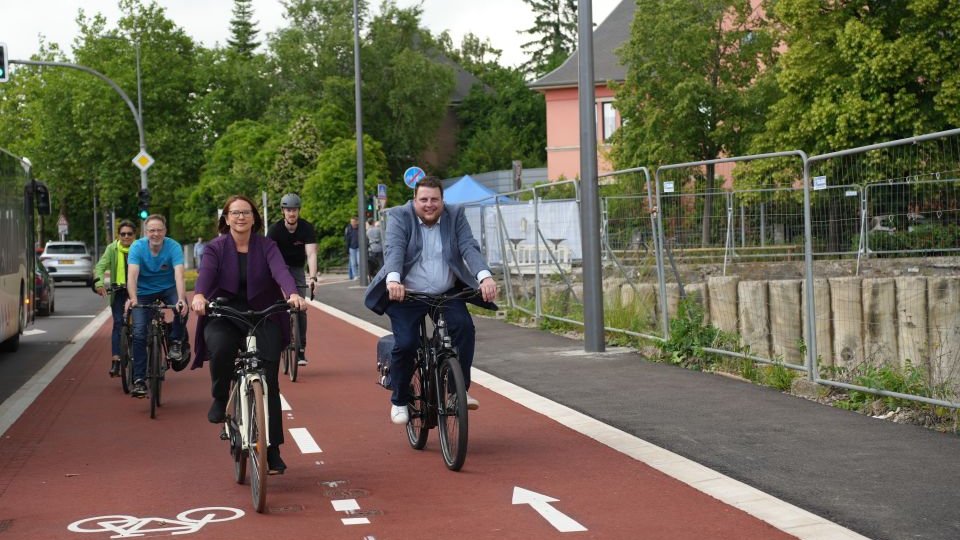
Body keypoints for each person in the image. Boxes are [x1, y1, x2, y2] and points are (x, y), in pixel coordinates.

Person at [363, 176, 498, 425]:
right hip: (406, 293)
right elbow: (395, 249)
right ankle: (400, 399)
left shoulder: (455, 215)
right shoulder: (400, 216)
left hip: (445, 293)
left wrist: (484, 277)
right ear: (414, 200)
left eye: (434, 199)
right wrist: (393, 281)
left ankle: (457, 393)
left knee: (464, 328)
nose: (429, 204)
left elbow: (469, 247)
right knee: (406, 343)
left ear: (442, 201)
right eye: (423, 199)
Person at [191, 195, 306, 475]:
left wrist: (292, 293)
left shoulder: (267, 246)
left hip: (262, 312)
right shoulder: (215, 248)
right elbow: (206, 274)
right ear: (226, 218)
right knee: (220, 348)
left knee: (269, 380)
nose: (240, 217)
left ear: (255, 218)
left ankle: (273, 449)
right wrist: (199, 296)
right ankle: (220, 397)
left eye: (246, 213)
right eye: (235, 213)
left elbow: (280, 271)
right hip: (225, 313)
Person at [125, 214, 189, 398]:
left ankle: (176, 342)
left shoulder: (173, 247)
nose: (156, 233)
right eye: (152, 230)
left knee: (182, 308)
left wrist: (181, 299)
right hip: (143, 292)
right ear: (146, 232)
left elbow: (179, 275)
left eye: (159, 230)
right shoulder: (137, 247)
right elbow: (132, 276)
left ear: (165, 231)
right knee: (138, 333)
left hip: (168, 288)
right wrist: (133, 298)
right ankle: (139, 380)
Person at [266, 193, 318, 366]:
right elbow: (267, 255)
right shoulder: (274, 230)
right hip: (278, 270)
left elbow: (311, 254)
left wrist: (313, 278)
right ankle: (278, 341)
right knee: (275, 306)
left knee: (301, 308)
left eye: (294, 209)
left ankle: (301, 349)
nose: (291, 213)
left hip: (296, 269)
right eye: (288, 210)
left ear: (298, 211)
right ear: (283, 211)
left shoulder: (306, 228)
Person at [93, 220, 137, 378]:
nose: (126, 237)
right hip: (118, 290)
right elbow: (100, 267)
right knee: (118, 324)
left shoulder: (140, 248)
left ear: (134, 235)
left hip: (137, 291)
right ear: (118, 235)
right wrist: (99, 283)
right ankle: (116, 361)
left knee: (141, 322)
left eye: (129, 234)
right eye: (123, 234)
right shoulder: (112, 249)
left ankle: (143, 357)